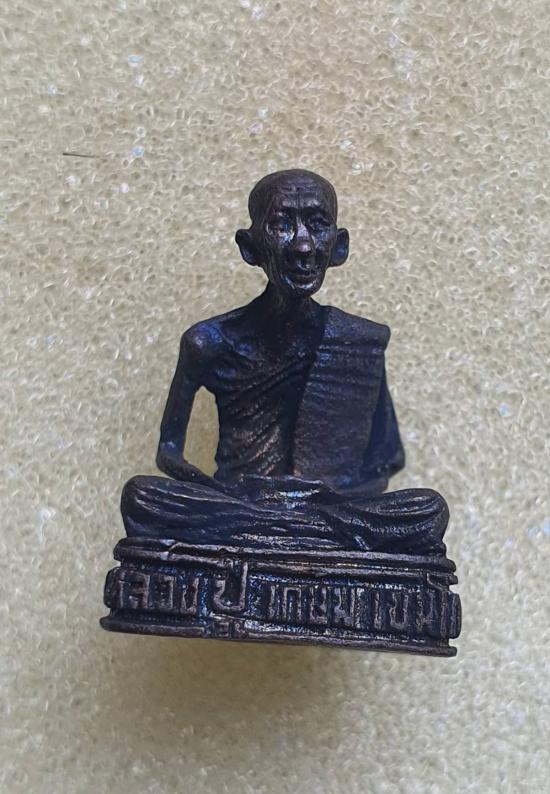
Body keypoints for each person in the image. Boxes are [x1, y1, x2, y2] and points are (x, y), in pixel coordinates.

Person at [122, 169, 448, 555]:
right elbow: (169, 451)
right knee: (141, 496)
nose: (303, 245)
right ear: (250, 247)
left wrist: (325, 500)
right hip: (239, 503)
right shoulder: (209, 341)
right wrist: (235, 495)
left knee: (428, 509)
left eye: (317, 224)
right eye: (281, 225)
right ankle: (295, 533)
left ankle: (286, 531)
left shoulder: (358, 341)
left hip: (326, 509)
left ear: (339, 246)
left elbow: (384, 462)